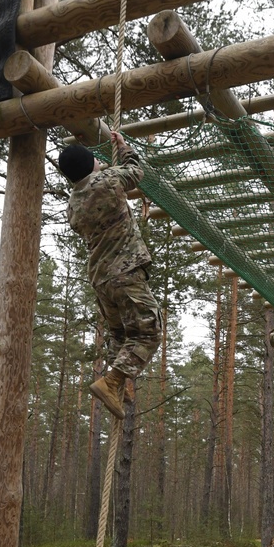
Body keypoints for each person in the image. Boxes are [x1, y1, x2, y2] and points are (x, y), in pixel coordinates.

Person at [59, 130, 163, 420]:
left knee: (120, 335)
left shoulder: (73, 204)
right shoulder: (107, 181)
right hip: (125, 271)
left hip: (102, 279)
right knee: (148, 332)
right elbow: (135, 170)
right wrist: (124, 147)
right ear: (89, 164)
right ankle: (113, 381)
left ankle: (116, 384)